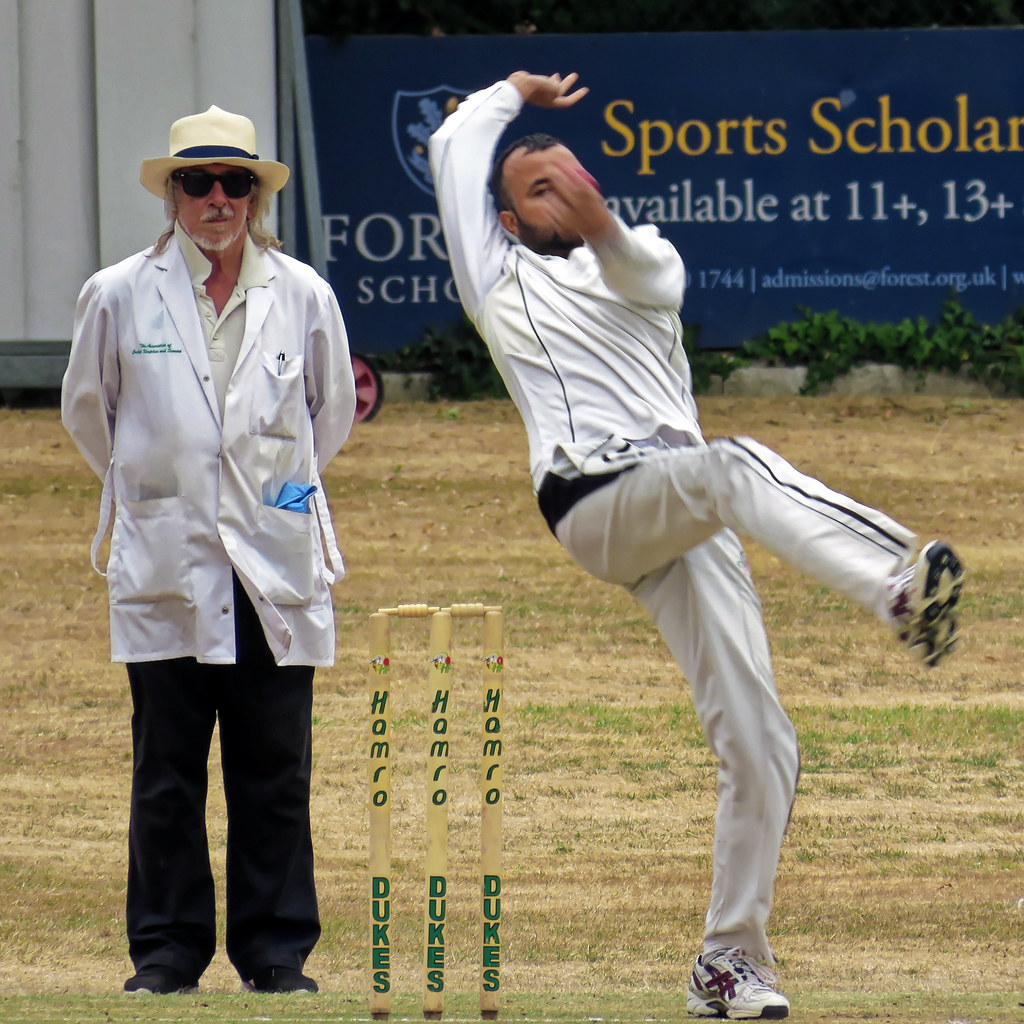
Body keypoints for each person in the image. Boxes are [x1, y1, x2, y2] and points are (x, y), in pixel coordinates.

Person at [429, 72, 964, 1019]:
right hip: (593, 500)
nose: (564, 191)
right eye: (537, 191)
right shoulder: (499, 275)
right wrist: (513, 94)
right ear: (507, 223)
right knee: (734, 466)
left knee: (761, 742)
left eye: (571, 175)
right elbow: (452, 149)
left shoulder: (642, 257)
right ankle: (895, 586)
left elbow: (643, 273)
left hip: (684, 506)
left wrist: (593, 219)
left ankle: (728, 960)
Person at [61, 105, 356, 996]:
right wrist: (160, 487)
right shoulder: (118, 292)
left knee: (274, 769)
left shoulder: (301, 290)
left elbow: (328, 416)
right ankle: (166, 954)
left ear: (256, 194)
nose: (218, 199)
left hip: (273, 557)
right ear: (174, 195)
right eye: (199, 182)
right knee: (165, 773)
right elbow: (88, 414)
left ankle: (274, 954)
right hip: (168, 558)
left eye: (235, 183)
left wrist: (272, 497)